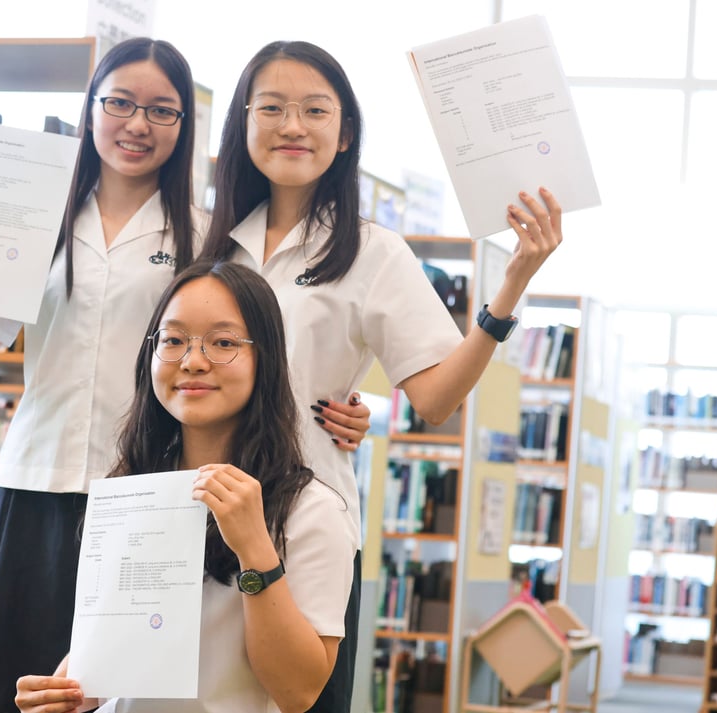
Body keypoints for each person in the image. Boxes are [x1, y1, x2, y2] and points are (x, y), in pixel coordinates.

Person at [0, 37, 367, 712]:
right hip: (35, 486)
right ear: (90, 108)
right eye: (119, 102)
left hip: (147, 499)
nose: (137, 124)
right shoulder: (35, 221)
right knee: (28, 691)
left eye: (163, 110)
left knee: (139, 688)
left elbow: (259, 339)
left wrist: (342, 408)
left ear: (187, 128)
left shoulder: (206, 236)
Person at [197, 40, 563, 712]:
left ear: (345, 134)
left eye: (315, 109)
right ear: (242, 123)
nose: (292, 126)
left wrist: (511, 286)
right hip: (192, 514)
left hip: (300, 524)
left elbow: (436, 397)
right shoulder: (204, 239)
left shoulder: (372, 251)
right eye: (271, 107)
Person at [15, 260, 356, 713]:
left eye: (223, 343)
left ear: (265, 360)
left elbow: (297, 692)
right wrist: (65, 694)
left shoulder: (312, 511)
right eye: (174, 341)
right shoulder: (131, 491)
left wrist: (255, 547)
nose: (194, 362)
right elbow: (107, 670)